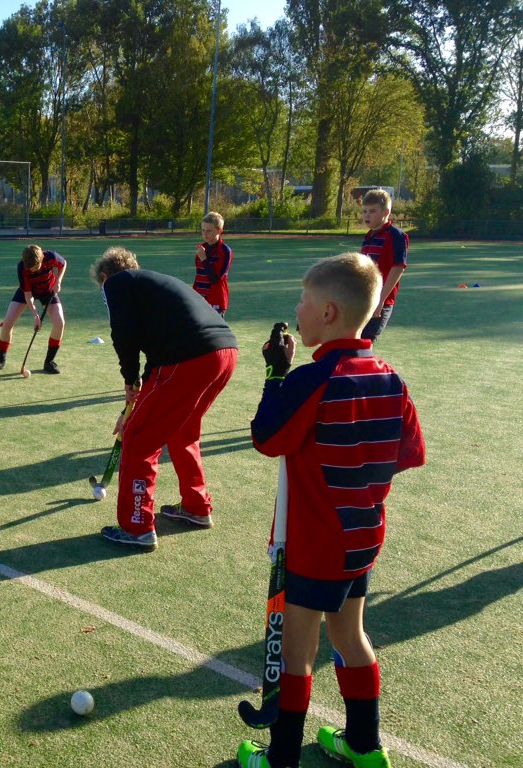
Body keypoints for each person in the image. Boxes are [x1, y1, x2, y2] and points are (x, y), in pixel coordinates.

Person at [238, 253, 425, 768]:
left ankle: (280, 759)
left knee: (297, 654)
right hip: (362, 534)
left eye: (303, 300)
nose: (296, 309)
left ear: (326, 313)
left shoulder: (311, 379)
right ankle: (365, 747)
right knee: (350, 635)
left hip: (318, 541)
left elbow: (266, 437)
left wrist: (277, 375)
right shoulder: (390, 377)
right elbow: (408, 454)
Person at [91, 246, 238, 551]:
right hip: (224, 353)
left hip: (190, 357)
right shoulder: (151, 285)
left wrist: (129, 380)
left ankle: (137, 527)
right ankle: (197, 507)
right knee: (182, 431)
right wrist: (136, 395)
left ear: (105, 277)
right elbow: (156, 361)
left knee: (140, 438)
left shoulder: (117, 284)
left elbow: (124, 334)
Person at [0, 244, 67, 374]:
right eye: (30, 268)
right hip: (28, 291)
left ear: (42, 260)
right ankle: (0, 360)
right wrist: (36, 315)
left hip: (48, 290)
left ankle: (49, 362)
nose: (33, 271)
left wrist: (58, 281)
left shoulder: (50, 256)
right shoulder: (22, 267)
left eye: (35, 267)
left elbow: (63, 263)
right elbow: (28, 295)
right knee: (8, 323)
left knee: (60, 323)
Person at [359, 188, 408, 341]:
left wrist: (380, 300)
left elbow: (398, 267)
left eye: (372, 211)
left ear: (386, 212)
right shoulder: (369, 235)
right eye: (365, 211)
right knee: (354, 340)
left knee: (366, 340)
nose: (367, 215)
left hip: (381, 300)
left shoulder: (396, 235)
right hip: (362, 298)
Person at [193, 211, 232, 317]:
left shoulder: (225, 251)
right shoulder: (201, 248)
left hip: (216, 300)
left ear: (219, 231)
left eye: (209, 231)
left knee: (214, 332)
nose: (205, 234)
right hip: (198, 298)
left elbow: (215, 279)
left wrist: (204, 259)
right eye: (203, 230)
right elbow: (199, 275)